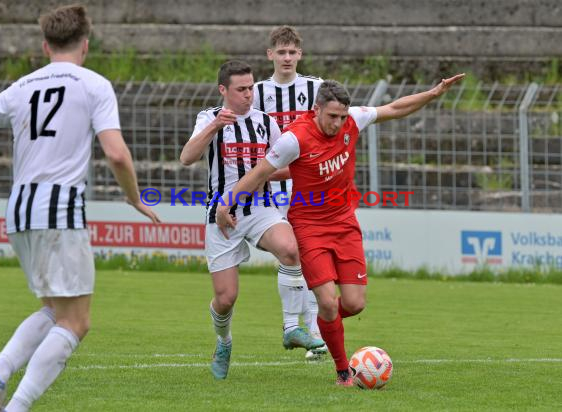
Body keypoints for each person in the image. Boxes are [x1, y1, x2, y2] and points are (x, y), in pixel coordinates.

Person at [216, 75, 464, 385]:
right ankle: (343, 371)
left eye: (342, 116)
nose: (338, 123)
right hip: (309, 227)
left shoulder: (352, 121)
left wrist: (434, 92)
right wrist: (227, 204)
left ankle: (322, 324)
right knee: (329, 302)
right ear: (316, 109)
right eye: (332, 116)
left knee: (354, 303)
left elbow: (395, 108)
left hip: (345, 223)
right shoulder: (294, 138)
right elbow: (260, 173)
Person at [0, 5, 160, 411]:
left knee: (53, 309)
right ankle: (16, 406)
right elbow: (117, 155)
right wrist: (134, 197)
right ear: (86, 44)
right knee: (76, 321)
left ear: (46, 45)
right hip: (59, 208)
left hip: (19, 209)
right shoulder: (93, 85)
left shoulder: (20, 87)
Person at [180, 59, 324, 380]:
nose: (249, 94)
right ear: (223, 90)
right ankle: (224, 341)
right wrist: (215, 127)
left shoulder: (264, 121)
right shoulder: (208, 118)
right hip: (220, 216)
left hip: (259, 208)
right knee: (226, 298)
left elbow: (283, 164)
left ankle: (291, 328)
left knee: (290, 249)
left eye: (250, 87)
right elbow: (187, 157)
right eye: (241, 89)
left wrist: (272, 174)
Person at [253, 26, 327, 358]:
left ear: (300, 54)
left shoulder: (316, 88)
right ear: (270, 54)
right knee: (293, 253)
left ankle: (313, 334)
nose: (286, 58)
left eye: (292, 52)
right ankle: (296, 327)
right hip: (270, 189)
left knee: (309, 255)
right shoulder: (254, 92)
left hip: (310, 186)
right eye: (280, 52)